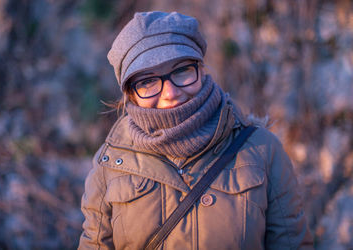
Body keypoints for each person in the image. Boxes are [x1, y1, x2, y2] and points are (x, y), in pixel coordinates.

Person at [78, 11, 313, 249]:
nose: (170, 93)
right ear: (130, 94)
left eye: (181, 70)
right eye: (147, 81)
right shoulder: (110, 164)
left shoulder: (262, 149)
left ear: (201, 69)